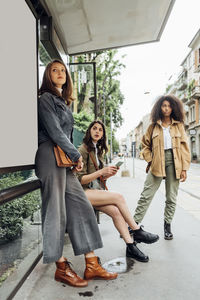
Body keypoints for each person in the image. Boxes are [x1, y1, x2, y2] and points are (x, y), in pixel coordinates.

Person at [35, 59, 118, 288]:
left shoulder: (63, 101)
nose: (60, 73)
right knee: (55, 210)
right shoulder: (45, 99)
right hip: (49, 156)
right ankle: (61, 267)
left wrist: (72, 158)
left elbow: (65, 136)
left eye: (63, 70)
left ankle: (91, 264)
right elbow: (53, 131)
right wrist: (76, 155)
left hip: (63, 158)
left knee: (80, 205)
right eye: (54, 70)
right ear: (47, 75)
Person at [77, 120, 159, 263]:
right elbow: (80, 179)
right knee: (119, 197)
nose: (97, 131)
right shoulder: (83, 150)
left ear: (103, 135)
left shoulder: (98, 151)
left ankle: (130, 246)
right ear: (89, 131)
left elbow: (98, 179)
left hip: (93, 191)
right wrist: (102, 171)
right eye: (94, 128)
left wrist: (107, 175)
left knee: (115, 211)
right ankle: (136, 230)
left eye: (100, 130)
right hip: (81, 192)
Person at [132, 95, 190, 240]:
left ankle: (167, 227)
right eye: (164, 106)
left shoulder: (179, 126)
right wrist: (150, 160)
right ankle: (133, 225)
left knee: (171, 197)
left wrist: (184, 168)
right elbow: (144, 146)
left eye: (169, 106)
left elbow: (184, 148)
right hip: (157, 161)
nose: (166, 108)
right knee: (146, 195)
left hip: (175, 161)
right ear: (159, 107)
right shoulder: (153, 126)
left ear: (173, 108)